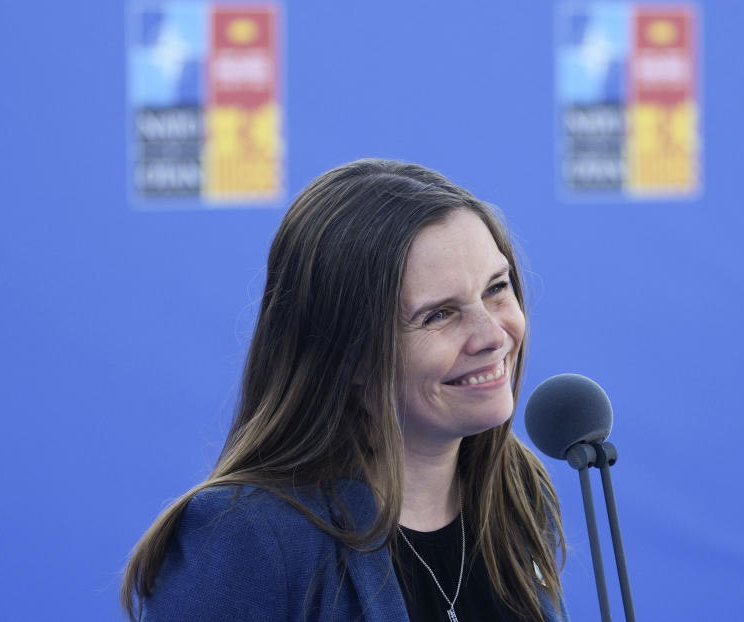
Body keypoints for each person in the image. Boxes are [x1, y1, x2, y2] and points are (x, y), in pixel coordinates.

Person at [121, 159, 568, 621]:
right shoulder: (249, 537)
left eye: (497, 287)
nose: (493, 334)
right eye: (439, 315)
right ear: (349, 354)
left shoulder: (515, 488)